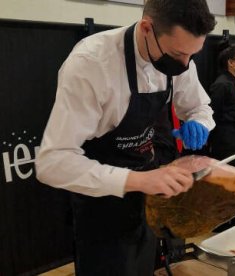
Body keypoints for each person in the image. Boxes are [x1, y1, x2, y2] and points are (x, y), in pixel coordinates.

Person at [35, 0, 216, 275]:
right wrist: (139, 180)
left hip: (148, 196)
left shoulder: (179, 57)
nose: (185, 65)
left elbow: (199, 106)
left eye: (192, 56)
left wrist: (199, 122)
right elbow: (52, 162)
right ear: (146, 28)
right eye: (178, 53)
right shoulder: (92, 64)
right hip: (101, 203)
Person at [208, 42, 235, 232]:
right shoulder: (221, 85)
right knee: (224, 182)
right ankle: (221, 220)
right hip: (224, 142)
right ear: (231, 62)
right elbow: (212, 115)